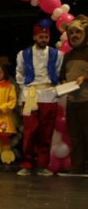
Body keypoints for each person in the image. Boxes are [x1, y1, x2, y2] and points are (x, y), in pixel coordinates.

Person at [15, 20, 63, 176]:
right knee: (29, 131)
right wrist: (25, 91)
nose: (44, 39)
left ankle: (43, 164)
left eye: (46, 37)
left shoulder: (57, 54)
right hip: (30, 95)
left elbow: (57, 71)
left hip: (49, 95)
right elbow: (19, 74)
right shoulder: (23, 54)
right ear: (35, 37)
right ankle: (27, 164)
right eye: (41, 36)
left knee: (46, 132)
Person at [59, 15, 88, 175]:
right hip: (72, 101)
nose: (74, 36)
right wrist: (63, 82)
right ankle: (77, 168)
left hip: (87, 100)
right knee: (75, 136)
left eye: (77, 32)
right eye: (71, 33)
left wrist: (85, 78)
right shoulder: (68, 55)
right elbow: (63, 74)